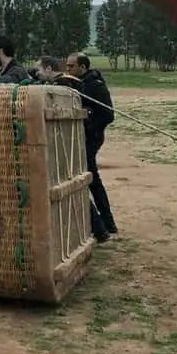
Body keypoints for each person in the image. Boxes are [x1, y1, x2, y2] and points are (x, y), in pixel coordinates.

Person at [66, 53, 117, 236]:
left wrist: (88, 125)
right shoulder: (78, 83)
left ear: (83, 67)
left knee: (91, 179)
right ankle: (104, 224)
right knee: (90, 178)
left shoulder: (95, 85)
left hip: (92, 137)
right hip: (83, 137)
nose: (68, 70)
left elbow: (108, 115)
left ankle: (105, 224)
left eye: (71, 66)